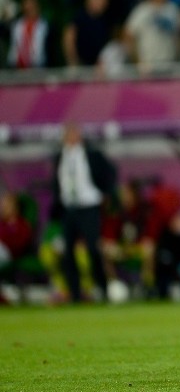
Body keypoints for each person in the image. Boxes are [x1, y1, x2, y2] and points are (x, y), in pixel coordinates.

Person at [51, 122, 117, 303]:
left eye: (75, 133)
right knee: (68, 251)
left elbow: (110, 173)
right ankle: (74, 292)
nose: (73, 137)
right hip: (69, 208)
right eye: (69, 134)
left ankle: (102, 288)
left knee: (93, 248)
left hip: (89, 206)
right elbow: (58, 182)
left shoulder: (92, 155)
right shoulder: (59, 157)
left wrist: (106, 193)